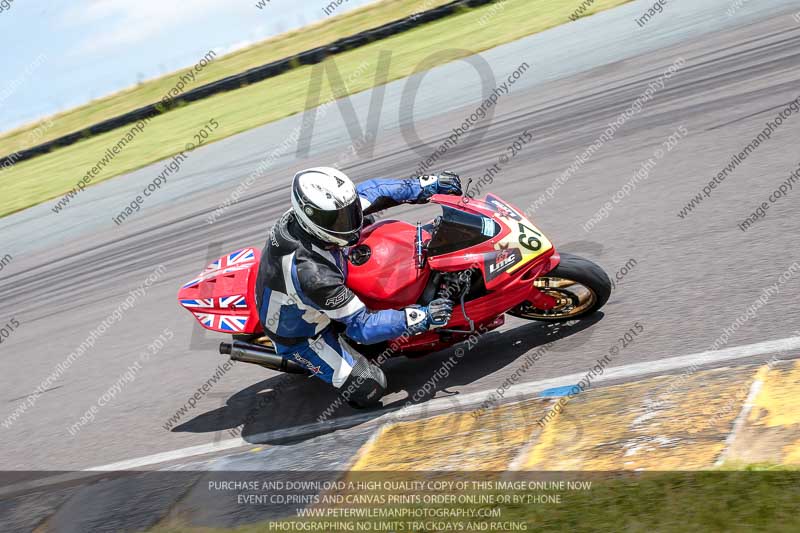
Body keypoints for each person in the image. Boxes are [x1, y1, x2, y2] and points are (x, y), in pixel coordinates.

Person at [255, 167, 463, 407]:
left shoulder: (320, 215)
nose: (350, 221)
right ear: (311, 219)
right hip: (303, 332)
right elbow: (361, 326)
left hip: (322, 277)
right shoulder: (313, 274)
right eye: (339, 219)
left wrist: (427, 184)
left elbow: (375, 190)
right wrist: (421, 317)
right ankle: (309, 357)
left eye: (350, 211)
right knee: (369, 386)